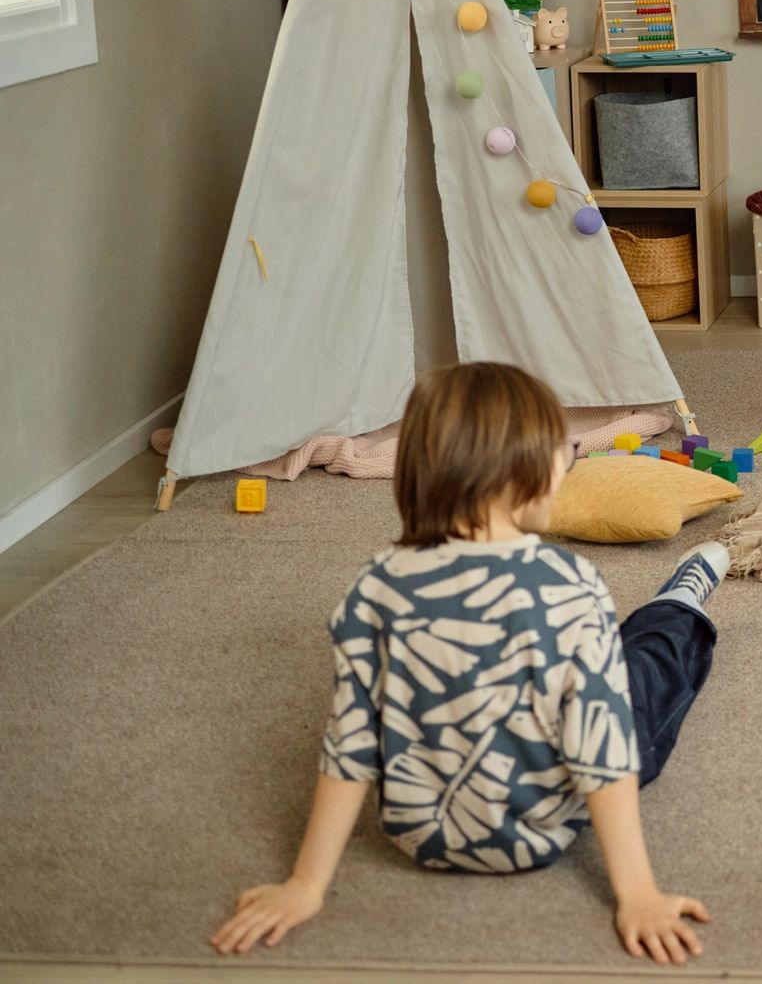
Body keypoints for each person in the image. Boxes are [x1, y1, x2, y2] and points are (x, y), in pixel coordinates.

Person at [210, 362, 727, 966]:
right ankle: (680, 599)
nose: (568, 465)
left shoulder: (375, 586)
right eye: (560, 453)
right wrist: (637, 893)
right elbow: (601, 747)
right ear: (523, 474)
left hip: (418, 838)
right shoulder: (570, 584)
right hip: (545, 835)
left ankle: (653, 619)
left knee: (594, 661)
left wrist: (305, 885)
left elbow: (350, 742)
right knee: (651, 671)